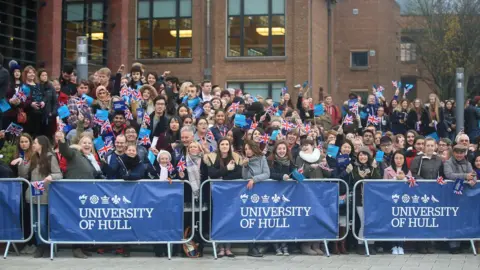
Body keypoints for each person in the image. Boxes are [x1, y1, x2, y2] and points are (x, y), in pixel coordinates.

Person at [27, 136, 63, 258]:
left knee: (42, 223)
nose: (33, 145)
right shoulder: (33, 157)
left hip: (44, 194)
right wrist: (21, 163)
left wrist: (50, 177)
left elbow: (58, 174)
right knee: (34, 223)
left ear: (42, 144)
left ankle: (46, 244)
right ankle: (39, 245)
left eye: (35, 143)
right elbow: (25, 174)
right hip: (33, 194)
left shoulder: (50, 157)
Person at [409, 137, 443, 254]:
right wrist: (424, 182)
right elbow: (413, 173)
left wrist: (438, 181)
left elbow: (441, 174)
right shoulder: (418, 159)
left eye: (431, 146)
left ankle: (430, 243)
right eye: (427, 145)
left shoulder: (438, 160)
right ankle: (421, 244)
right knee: (421, 218)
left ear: (435, 147)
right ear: (424, 147)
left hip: (434, 192)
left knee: (431, 218)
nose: (429, 148)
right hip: (420, 191)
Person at [443, 144, 476, 254]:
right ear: (453, 152)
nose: (459, 155)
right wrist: (465, 176)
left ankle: (462, 243)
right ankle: (453, 245)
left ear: (465, 153)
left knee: (463, 220)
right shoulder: (448, 163)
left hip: (464, 196)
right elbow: (449, 175)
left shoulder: (468, 163)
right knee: (453, 221)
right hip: (451, 196)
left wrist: (473, 180)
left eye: (462, 153)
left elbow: (473, 174)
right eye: (457, 152)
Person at [242, 140, 270, 257]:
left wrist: (254, 179)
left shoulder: (261, 158)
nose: (247, 151)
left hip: (261, 193)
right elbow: (244, 176)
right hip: (249, 193)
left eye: (249, 148)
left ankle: (258, 244)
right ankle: (251, 247)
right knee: (250, 219)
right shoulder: (245, 160)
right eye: (245, 149)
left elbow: (266, 174)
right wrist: (244, 166)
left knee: (260, 219)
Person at [352, 147, 381, 255]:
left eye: (364, 155)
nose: (362, 157)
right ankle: (360, 244)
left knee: (371, 221)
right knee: (364, 222)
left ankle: (371, 244)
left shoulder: (373, 166)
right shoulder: (355, 167)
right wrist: (360, 177)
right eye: (360, 155)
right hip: (360, 199)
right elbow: (355, 181)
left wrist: (374, 169)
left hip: (372, 198)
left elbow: (377, 180)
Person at [383, 151, 411, 255]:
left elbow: (411, 184)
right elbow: (384, 185)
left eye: (401, 158)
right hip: (391, 200)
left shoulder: (408, 171)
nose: (398, 160)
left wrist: (404, 178)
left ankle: (401, 245)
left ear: (404, 160)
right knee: (392, 223)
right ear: (393, 159)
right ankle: (393, 245)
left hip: (403, 200)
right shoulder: (387, 170)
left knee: (401, 223)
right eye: (396, 158)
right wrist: (395, 178)